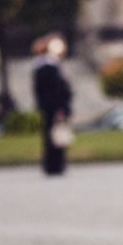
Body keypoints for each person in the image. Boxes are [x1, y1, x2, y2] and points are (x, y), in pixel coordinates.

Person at [31, 33, 73, 176]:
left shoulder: (38, 67)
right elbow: (57, 90)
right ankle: (56, 165)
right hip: (55, 107)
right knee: (56, 138)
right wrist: (61, 107)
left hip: (47, 107)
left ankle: (51, 165)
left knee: (49, 136)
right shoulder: (51, 67)